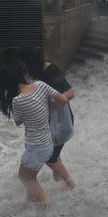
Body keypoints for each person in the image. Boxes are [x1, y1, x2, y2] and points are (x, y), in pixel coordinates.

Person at [0, 49, 68, 204]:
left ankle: (45, 205)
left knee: (25, 177)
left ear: (6, 84)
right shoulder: (40, 85)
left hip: (36, 147)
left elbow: (18, 122)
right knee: (31, 177)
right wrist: (48, 110)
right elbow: (63, 99)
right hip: (48, 144)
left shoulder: (18, 101)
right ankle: (30, 201)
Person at [18, 48, 76, 189]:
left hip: (60, 123)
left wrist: (50, 108)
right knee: (53, 153)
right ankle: (58, 182)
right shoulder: (34, 71)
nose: (21, 67)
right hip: (53, 123)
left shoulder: (50, 70)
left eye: (22, 63)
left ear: (28, 62)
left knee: (50, 157)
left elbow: (70, 93)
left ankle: (71, 185)